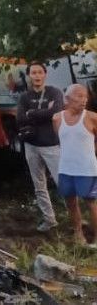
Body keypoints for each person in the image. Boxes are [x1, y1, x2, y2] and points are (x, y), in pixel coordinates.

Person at [16, 61, 64, 232]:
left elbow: (57, 112)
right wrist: (44, 113)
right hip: (31, 145)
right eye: (33, 72)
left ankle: (76, 218)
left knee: (63, 183)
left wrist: (32, 113)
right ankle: (49, 219)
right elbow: (20, 119)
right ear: (29, 75)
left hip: (52, 145)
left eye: (39, 72)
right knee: (39, 185)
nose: (36, 75)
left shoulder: (54, 92)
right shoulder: (24, 97)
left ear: (45, 74)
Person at [52, 84, 97, 246]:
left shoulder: (92, 117)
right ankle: (78, 234)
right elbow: (62, 139)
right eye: (79, 96)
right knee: (71, 202)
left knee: (91, 202)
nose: (83, 100)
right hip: (66, 168)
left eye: (85, 96)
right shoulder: (57, 118)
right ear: (67, 99)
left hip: (87, 169)